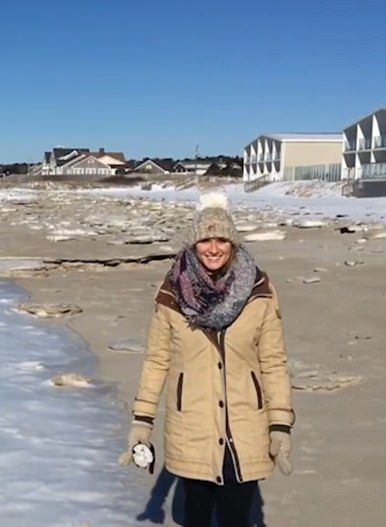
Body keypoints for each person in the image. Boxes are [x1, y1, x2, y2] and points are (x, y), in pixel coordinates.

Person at [119, 192, 295, 527]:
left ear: (232, 242)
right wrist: (142, 421)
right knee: (195, 517)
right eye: (204, 240)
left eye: (221, 239)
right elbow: (157, 360)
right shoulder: (172, 292)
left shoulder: (259, 291)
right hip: (192, 425)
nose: (213, 248)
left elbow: (273, 362)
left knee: (236, 518)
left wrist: (280, 425)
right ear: (193, 244)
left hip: (246, 426)